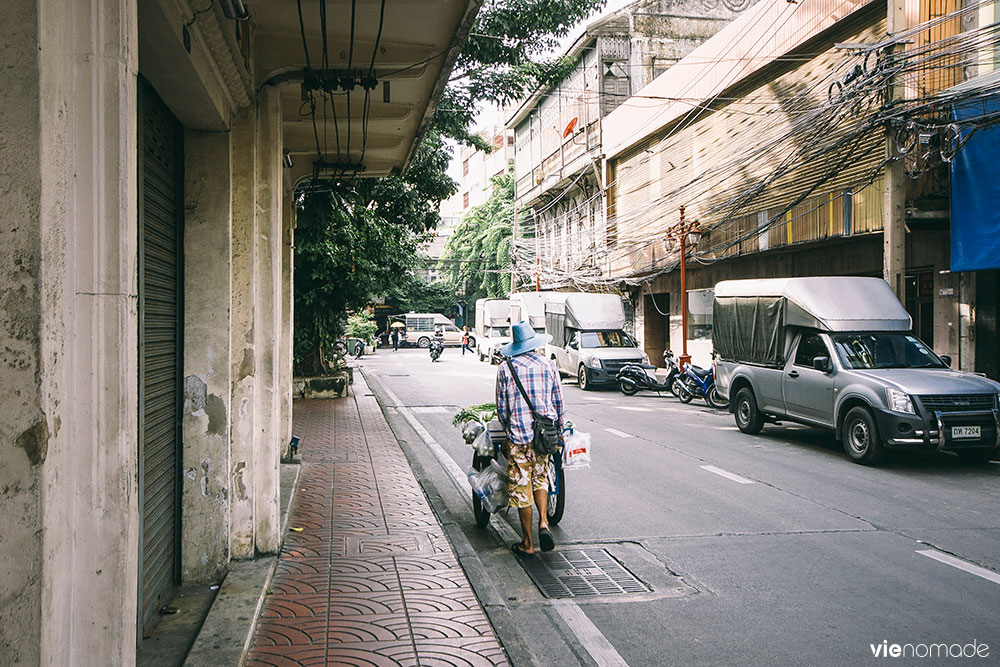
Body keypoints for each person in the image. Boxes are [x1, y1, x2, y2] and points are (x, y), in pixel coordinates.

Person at [495, 321, 564, 558]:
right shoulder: (547, 364)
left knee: (522, 485)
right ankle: (544, 522)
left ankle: (528, 542)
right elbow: (558, 401)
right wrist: (560, 429)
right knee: (540, 479)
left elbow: (501, 408)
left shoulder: (506, 368)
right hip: (543, 435)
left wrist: (508, 429)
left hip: (519, 436)